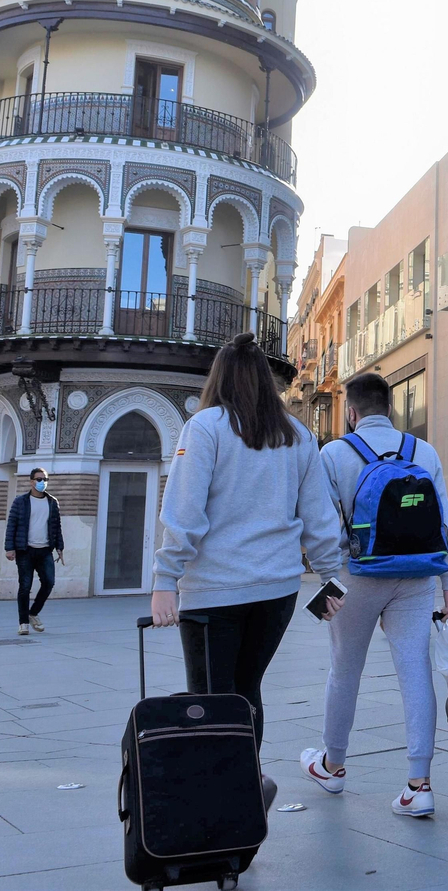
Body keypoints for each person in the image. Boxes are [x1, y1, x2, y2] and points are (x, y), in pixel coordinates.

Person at [151, 332, 345, 816]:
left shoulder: (205, 427)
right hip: (275, 591)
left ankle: (234, 795)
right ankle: (246, 780)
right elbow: (319, 516)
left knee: (212, 696)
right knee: (246, 687)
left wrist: (164, 578)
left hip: (214, 590)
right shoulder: (298, 436)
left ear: (218, 378)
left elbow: (184, 510)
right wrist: (330, 576)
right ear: (265, 382)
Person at [299, 371, 448, 817]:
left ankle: (333, 767)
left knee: (344, 671)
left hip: (356, 576)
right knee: (415, 672)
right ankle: (419, 784)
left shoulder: (334, 453)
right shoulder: (422, 451)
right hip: (416, 578)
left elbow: (323, 527)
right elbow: (444, 523)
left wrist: (328, 583)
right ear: (389, 408)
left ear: (350, 412)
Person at [4, 468, 63, 635]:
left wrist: (60, 547)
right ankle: (23, 623)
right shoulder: (20, 501)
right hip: (25, 550)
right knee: (25, 586)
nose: (42, 482)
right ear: (31, 481)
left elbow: (56, 526)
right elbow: (11, 525)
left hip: (45, 550)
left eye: (45, 479)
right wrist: (9, 548)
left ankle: (33, 613)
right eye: (38, 479)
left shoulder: (52, 502)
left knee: (49, 582)